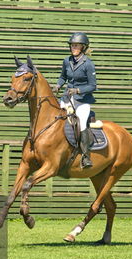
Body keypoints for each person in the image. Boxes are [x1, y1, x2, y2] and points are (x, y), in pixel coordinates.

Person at [53, 32, 97, 168]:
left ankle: (86, 156)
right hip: (67, 98)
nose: (74, 48)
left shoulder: (88, 64)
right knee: (57, 119)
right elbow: (63, 77)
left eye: (77, 45)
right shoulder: (67, 61)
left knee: (81, 123)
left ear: (83, 47)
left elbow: (93, 86)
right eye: (72, 45)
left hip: (82, 100)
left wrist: (78, 90)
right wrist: (58, 85)